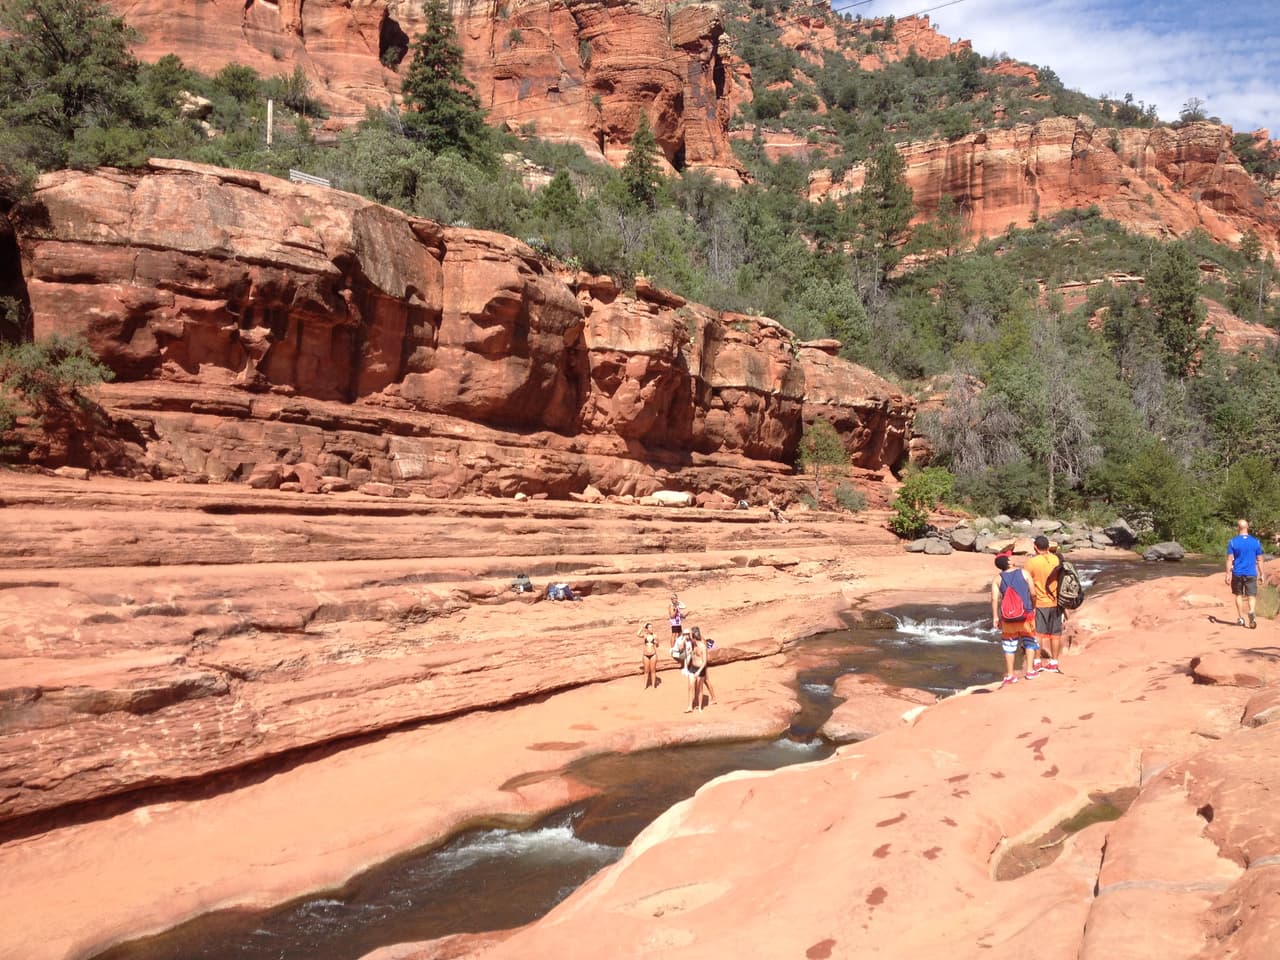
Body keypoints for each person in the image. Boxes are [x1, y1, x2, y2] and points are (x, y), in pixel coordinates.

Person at [990, 552, 1039, 685]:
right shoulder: (1024, 573)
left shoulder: (997, 579)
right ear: (1009, 562)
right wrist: (1033, 607)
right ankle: (1030, 671)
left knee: (1009, 645)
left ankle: (1010, 675)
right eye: (1010, 558)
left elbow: (994, 598)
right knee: (1029, 641)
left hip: (1007, 617)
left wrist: (995, 617)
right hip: (1026, 615)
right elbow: (1033, 594)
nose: (1012, 559)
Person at [1024, 535, 1063, 674]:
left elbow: (1026, 583)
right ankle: (1054, 662)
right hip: (1056, 602)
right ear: (1048, 547)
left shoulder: (1032, 563)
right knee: (1055, 634)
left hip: (1040, 603)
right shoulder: (1056, 559)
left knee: (1038, 634)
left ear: (1035, 547)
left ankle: (1037, 662)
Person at [1226, 519, 1266, 629]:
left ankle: (1241, 618)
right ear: (1247, 527)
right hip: (1251, 573)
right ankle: (1252, 611)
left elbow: (1229, 559)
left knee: (1238, 594)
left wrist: (1228, 574)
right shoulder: (1256, 542)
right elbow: (1260, 560)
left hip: (1237, 572)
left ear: (1238, 528)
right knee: (1251, 595)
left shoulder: (1233, 542)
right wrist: (1262, 573)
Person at [685, 626, 710, 712]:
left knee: (700, 689)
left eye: (691, 634)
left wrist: (699, 671)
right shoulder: (693, 643)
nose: (690, 636)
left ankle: (699, 707)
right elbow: (685, 639)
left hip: (700, 669)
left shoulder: (702, 646)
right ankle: (689, 707)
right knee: (690, 687)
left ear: (694, 635)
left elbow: (705, 661)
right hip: (692, 668)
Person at [637, 621, 659, 688]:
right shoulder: (645, 635)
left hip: (653, 654)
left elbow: (658, 645)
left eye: (652, 627)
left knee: (653, 670)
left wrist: (656, 642)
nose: (651, 629)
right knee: (646, 671)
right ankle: (645, 685)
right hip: (645, 655)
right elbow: (637, 634)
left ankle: (653, 686)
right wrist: (642, 627)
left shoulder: (655, 636)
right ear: (647, 629)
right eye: (649, 627)